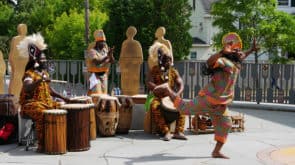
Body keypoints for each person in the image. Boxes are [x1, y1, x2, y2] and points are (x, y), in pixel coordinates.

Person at [153, 32, 259, 158]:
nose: (240, 51)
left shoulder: (236, 62)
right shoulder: (222, 61)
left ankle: (216, 151)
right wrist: (222, 51)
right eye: (237, 49)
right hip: (208, 99)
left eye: (240, 50)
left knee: (226, 124)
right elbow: (209, 63)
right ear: (230, 51)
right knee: (184, 109)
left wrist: (251, 50)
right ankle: (167, 90)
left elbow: (242, 56)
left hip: (220, 104)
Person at [18, 33, 82, 152]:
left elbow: (49, 90)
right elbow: (27, 87)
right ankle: (43, 144)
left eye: (44, 58)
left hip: (47, 102)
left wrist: (64, 98)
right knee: (43, 113)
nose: (44, 60)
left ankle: (63, 141)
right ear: (36, 61)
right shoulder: (29, 74)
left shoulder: (44, 73)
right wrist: (39, 81)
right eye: (42, 59)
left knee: (65, 109)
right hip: (31, 104)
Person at [146, 42, 186, 141]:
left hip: (171, 97)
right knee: (155, 106)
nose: (168, 62)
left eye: (169, 60)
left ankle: (178, 131)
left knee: (183, 106)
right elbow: (149, 83)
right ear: (160, 60)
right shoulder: (154, 70)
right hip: (158, 97)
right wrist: (159, 88)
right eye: (165, 60)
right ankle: (166, 132)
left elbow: (180, 83)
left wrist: (177, 94)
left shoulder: (173, 71)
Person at [86, 29, 115, 95]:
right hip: (94, 75)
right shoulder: (92, 51)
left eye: (104, 42)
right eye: (101, 42)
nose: (103, 43)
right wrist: (107, 56)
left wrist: (110, 55)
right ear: (97, 43)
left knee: (103, 95)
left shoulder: (105, 51)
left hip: (104, 75)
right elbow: (96, 62)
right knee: (96, 94)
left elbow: (112, 61)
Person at [119, 26, 143, 95]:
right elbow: (121, 57)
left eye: (129, 31)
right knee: (125, 81)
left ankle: (133, 92)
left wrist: (131, 61)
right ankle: (126, 91)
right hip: (125, 68)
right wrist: (122, 62)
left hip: (133, 68)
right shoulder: (124, 43)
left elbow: (140, 59)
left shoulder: (136, 44)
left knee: (132, 82)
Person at [8, 24, 28, 100]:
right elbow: (12, 54)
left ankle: (17, 98)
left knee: (18, 80)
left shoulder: (17, 39)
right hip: (19, 64)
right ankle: (16, 98)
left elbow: (11, 54)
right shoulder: (16, 39)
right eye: (24, 28)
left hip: (22, 63)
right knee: (18, 80)